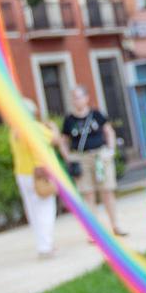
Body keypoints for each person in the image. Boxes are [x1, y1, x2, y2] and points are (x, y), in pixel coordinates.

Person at [61, 85, 126, 236]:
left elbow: (108, 131)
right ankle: (94, 232)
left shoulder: (96, 114)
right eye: (74, 98)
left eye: (79, 97)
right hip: (81, 157)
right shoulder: (69, 120)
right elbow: (63, 140)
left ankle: (115, 225)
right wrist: (68, 156)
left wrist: (111, 150)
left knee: (107, 191)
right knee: (88, 194)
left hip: (100, 156)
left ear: (86, 98)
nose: (76, 101)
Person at [9, 98, 63, 258]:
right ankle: (46, 247)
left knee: (33, 211)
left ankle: (43, 244)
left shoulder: (15, 131)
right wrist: (53, 127)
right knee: (46, 209)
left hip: (22, 173)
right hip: (39, 174)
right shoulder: (35, 128)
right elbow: (56, 140)